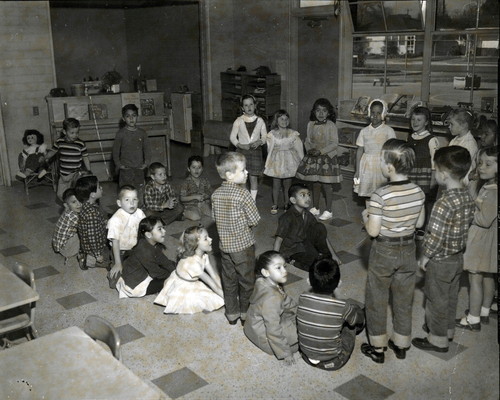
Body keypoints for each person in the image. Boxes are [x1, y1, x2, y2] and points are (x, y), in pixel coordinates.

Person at [361, 139, 425, 364]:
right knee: (403, 298)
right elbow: (419, 224)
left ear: (389, 167)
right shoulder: (418, 191)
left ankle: (377, 347)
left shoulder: (380, 195)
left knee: (377, 297)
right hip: (408, 250)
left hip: (384, 250)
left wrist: (367, 216)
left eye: (381, 159)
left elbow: (373, 231)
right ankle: (401, 343)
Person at [411, 146, 474, 353]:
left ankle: (437, 339)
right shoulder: (467, 196)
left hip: (440, 260)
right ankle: (446, 330)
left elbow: (435, 237)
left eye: (435, 170)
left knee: (435, 299)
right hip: (457, 258)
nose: (434, 173)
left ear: (444, 175)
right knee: (450, 296)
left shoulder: (442, 203)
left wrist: (425, 257)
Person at [212, 152, 260, 326]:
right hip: (243, 246)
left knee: (229, 280)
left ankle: (231, 313)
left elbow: (214, 217)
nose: (247, 173)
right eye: (243, 170)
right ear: (230, 175)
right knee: (247, 280)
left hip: (224, 246)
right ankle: (245, 313)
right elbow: (254, 219)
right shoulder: (243, 194)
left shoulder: (215, 194)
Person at [297, 257, 365, 371]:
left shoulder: (302, 297)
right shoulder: (343, 306)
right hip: (334, 361)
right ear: (339, 283)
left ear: (308, 281)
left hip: (305, 355)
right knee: (353, 319)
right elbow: (358, 321)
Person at [456, 146, 497, 331]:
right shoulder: (489, 186)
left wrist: (470, 211)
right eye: (480, 163)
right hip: (489, 241)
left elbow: (484, 219)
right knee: (488, 276)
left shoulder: (492, 192)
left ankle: (473, 319)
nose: (482, 167)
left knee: (475, 278)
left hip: (481, 240)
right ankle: (484, 311)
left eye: (489, 164)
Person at [243, 250, 298, 365]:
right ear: (266, 272)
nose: (284, 271)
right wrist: (285, 353)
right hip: (264, 337)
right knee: (303, 338)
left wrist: (299, 310)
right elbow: (273, 329)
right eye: (278, 268)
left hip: (253, 328)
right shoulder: (272, 299)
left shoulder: (263, 281)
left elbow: (285, 299)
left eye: (284, 266)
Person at [154, 226, 224, 314]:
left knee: (219, 297)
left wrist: (226, 292)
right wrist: (229, 300)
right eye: (206, 239)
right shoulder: (192, 263)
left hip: (192, 281)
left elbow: (214, 275)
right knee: (215, 300)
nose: (211, 239)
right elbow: (212, 284)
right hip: (183, 286)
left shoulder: (204, 255)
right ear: (196, 244)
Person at [274, 183, 341, 271]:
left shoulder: (308, 214)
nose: (308, 198)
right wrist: (275, 262)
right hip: (293, 250)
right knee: (318, 266)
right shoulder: (287, 217)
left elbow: (323, 235)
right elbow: (278, 240)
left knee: (320, 226)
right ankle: (294, 262)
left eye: (308, 195)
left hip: (305, 244)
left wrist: (334, 255)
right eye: (303, 195)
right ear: (293, 200)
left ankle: (321, 255)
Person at [296, 98, 342, 221]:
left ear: (329, 113)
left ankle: (329, 210)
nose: (321, 113)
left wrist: (320, 151)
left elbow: (334, 143)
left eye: (324, 111)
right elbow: (307, 140)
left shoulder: (331, 125)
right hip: (314, 157)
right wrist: (309, 149)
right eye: (318, 110)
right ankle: (316, 207)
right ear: (314, 112)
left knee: (326, 185)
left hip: (327, 158)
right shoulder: (310, 124)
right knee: (315, 184)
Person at [115, 216, 176, 298]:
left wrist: (174, 270)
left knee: (172, 265)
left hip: (143, 274)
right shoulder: (144, 250)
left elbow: (163, 260)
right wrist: (173, 275)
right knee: (170, 281)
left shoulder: (152, 244)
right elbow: (156, 272)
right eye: (160, 229)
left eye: (163, 228)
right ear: (148, 234)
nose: (164, 231)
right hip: (136, 285)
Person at [354, 99, 396, 207]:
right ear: (369, 113)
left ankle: (381, 215)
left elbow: (392, 150)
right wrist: (357, 170)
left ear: (383, 114)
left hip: (382, 165)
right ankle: (369, 214)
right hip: (367, 166)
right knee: (368, 193)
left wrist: (391, 168)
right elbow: (359, 150)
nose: (375, 116)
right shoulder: (364, 131)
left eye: (378, 113)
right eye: (373, 112)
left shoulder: (388, 130)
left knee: (381, 192)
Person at [264, 109, 304, 214]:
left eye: (286, 119)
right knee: (276, 184)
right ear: (276, 121)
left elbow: (299, 148)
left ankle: (287, 203)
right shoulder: (272, 134)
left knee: (288, 185)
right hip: (276, 162)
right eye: (281, 119)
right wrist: (269, 162)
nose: (284, 121)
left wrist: (302, 161)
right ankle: (275, 204)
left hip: (290, 162)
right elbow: (269, 149)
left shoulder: (293, 134)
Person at [229, 94, 267, 201]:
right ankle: (244, 200)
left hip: (255, 152)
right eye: (246, 105)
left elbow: (264, 136)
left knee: (253, 177)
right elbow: (232, 137)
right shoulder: (238, 120)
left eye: (251, 104)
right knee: (243, 178)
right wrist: (240, 145)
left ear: (255, 106)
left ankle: (252, 201)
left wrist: (259, 141)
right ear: (242, 108)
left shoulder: (260, 121)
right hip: (242, 152)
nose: (249, 107)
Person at [112, 104, 151, 202]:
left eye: (134, 115)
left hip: (139, 168)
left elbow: (147, 149)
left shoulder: (142, 133)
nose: (131, 118)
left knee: (140, 191)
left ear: (137, 116)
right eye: (128, 116)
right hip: (126, 169)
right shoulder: (120, 133)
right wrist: (119, 165)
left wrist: (146, 163)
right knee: (125, 192)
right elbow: (115, 151)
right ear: (123, 118)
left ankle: (140, 210)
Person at [45, 118, 91, 200]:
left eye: (77, 132)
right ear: (64, 132)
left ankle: (76, 208)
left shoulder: (80, 143)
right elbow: (52, 151)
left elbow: (85, 157)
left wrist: (89, 170)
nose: (75, 135)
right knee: (60, 194)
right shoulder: (59, 142)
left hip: (75, 174)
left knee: (75, 194)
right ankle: (69, 206)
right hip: (63, 174)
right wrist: (46, 157)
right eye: (72, 133)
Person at [107, 185, 146, 280]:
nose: (132, 203)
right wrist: (118, 263)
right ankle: (111, 263)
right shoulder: (115, 220)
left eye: (135, 199)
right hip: (120, 251)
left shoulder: (140, 213)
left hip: (135, 248)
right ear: (119, 203)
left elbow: (146, 231)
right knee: (116, 279)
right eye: (127, 200)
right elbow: (115, 243)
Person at [74, 175, 110, 270]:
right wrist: (98, 255)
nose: (101, 188)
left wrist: (103, 222)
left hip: (90, 244)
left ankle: (87, 255)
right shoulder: (91, 213)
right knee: (110, 261)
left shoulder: (86, 205)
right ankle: (87, 260)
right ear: (92, 195)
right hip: (95, 247)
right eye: (99, 187)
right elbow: (92, 236)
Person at [447, 108, 478, 184]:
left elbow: (464, 170)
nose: (449, 127)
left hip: (462, 182)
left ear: (463, 125)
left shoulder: (469, 144)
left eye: (452, 124)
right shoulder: (454, 140)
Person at [52, 188, 81, 265]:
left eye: (80, 200)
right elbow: (84, 227)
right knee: (84, 232)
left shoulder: (68, 212)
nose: (79, 204)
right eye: (74, 202)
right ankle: (78, 255)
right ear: (66, 205)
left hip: (60, 246)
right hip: (66, 249)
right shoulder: (73, 216)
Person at [179, 155, 212, 221]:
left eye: (199, 167)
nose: (196, 170)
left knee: (212, 214)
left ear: (202, 169)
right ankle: (183, 213)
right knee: (196, 217)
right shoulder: (186, 182)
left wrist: (206, 196)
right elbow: (182, 198)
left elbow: (210, 191)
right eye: (193, 167)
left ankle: (200, 210)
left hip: (202, 203)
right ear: (188, 169)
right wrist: (195, 197)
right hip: (190, 205)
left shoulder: (204, 180)